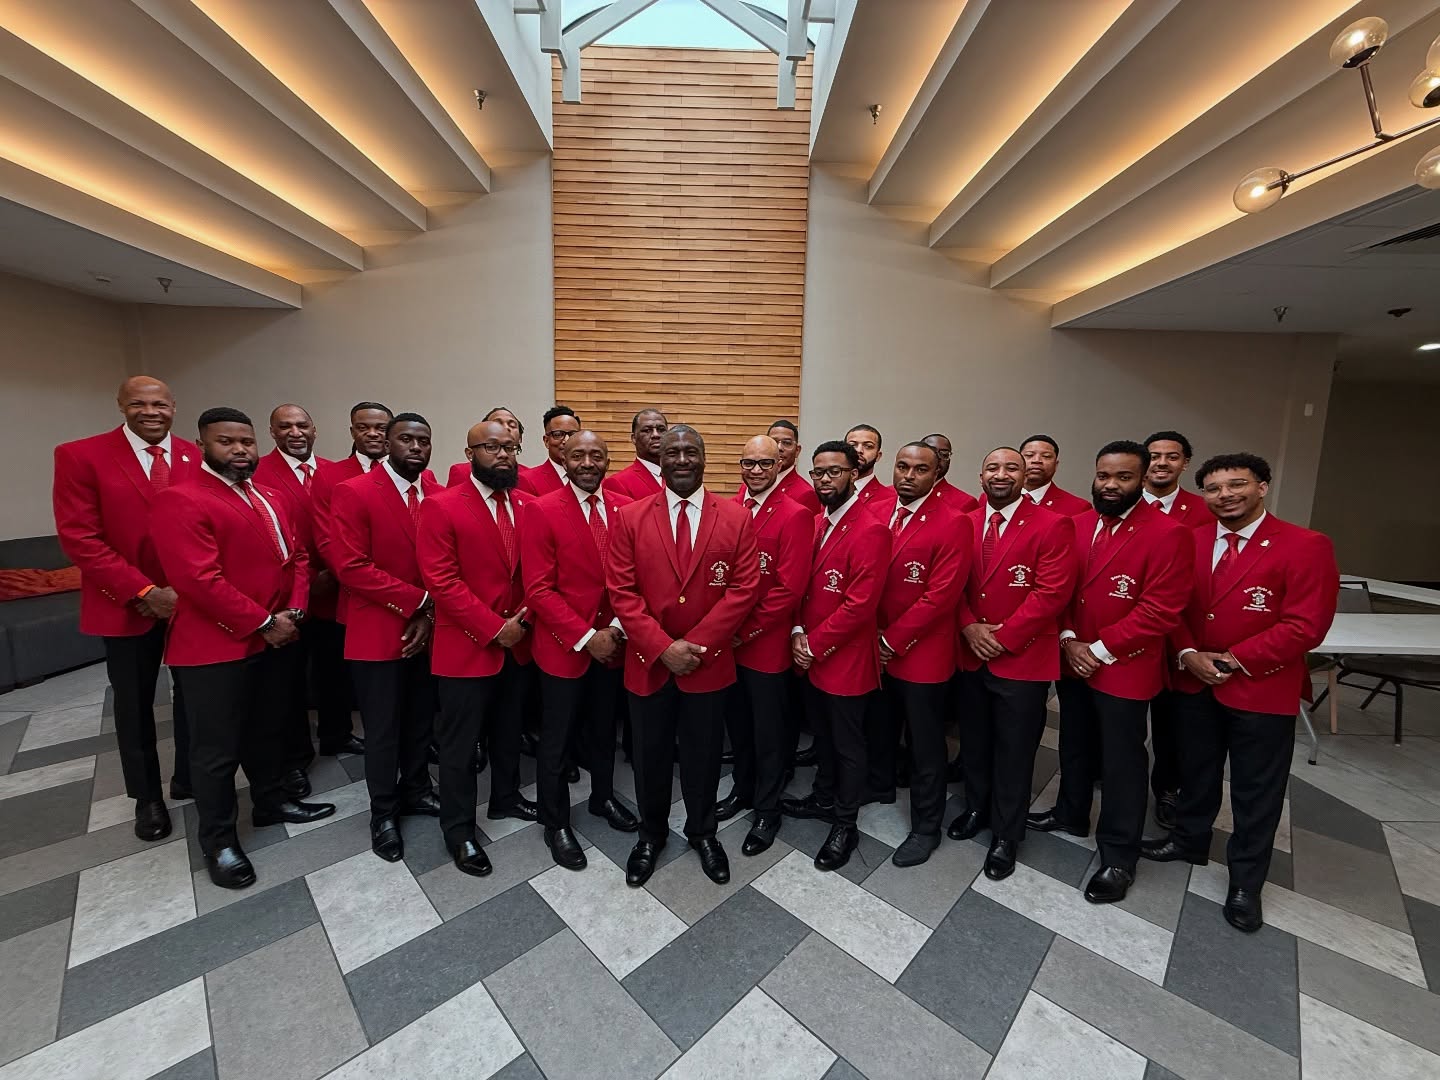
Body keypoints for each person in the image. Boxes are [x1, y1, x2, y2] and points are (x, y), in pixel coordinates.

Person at [1142, 452, 1337, 933]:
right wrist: (1188, 653)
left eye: (1237, 485)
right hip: (1194, 678)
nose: (1225, 495)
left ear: (1263, 486)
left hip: (1260, 687)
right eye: (1213, 488)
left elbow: (1306, 625)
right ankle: (1189, 839)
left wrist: (1231, 660)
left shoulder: (1305, 545)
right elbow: (1172, 606)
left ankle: (1246, 881)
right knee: (1196, 770)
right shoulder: (1188, 539)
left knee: (1256, 789)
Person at [152, 408, 335, 889]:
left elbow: (296, 558)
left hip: (275, 636)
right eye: (226, 442)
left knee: (267, 729)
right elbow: (198, 579)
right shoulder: (182, 500)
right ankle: (219, 840)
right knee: (215, 751)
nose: (239, 450)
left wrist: (293, 612)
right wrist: (260, 621)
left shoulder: (270, 496)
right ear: (202, 445)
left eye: (246, 442)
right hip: (215, 647)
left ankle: (271, 802)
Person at [1028, 441, 1193, 904]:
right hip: (1071, 654)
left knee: (1122, 762)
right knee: (1074, 741)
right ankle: (1070, 813)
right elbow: (1054, 590)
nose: (1111, 485)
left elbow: (1160, 609)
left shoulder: (1168, 533)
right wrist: (1066, 640)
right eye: (1104, 476)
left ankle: (1119, 855)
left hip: (1124, 665)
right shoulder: (1075, 525)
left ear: (1142, 480)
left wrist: (1097, 650)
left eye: (1123, 477)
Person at [607, 425, 760, 887]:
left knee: (704, 756)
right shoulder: (631, 516)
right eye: (672, 451)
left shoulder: (735, 517)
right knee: (649, 756)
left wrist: (696, 646)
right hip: (649, 665)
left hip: (707, 664)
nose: (681, 459)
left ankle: (703, 832)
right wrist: (662, 648)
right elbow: (621, 590)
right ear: (661, 458)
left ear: (703, 458)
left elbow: (744, 588)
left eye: (690, 451)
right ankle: (650, 836)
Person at [53, 376, 198, 842]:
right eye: (138, 403)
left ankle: (188, 775)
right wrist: (144, 592)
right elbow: (80, 539)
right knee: (135, 705)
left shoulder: (195, 456)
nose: (150, 410)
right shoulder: (81, 455)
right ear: (120, 406)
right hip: (126, 604)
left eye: (159, 403)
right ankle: (147, 797)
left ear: (174, 407)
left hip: (192, 604)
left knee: (194, 694)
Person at [418, 419, 540, 877]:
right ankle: (459, 830)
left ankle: (506, 797)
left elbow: (541, 576)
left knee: (510, 730)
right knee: (459, 745)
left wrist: (522, 620)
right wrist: (494, 628)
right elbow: (442, 581)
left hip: (519, 641)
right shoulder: (441, 507)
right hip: (467, 646)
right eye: (492, 447)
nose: (504, 455)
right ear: (469, 454)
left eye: (510, 447)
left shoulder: (530, 505)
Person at [951, 447, 1076, 880]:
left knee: (1015, 752)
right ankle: (976, 809)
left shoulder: (1053, 524)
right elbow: (951, 586)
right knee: (976, 744)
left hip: (1022, 660)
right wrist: (969, 628)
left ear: (1026, 475)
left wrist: (1001, 638)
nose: (1000, 474)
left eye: (1011, 468)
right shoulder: (963, 522)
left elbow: (1052, 594)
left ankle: (1007, 835)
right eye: (992, 467)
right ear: (980, 474)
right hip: (970, 655)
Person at [520, 430, 640, 870]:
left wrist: (613, 629)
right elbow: (539, 589)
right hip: (563, 647)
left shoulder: (625, 510)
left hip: (614, 644)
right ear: (562, 459)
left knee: (604, 730)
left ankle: (602, 799)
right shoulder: (541, 509)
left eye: (596, 455)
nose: (588, 462)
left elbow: (633, 580)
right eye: (578, 455)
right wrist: (588, 637)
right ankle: (556, 823)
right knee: (558, 739)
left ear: (608, 460)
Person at [330, 413, 444, 863]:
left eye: (424, 441)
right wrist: (419, 601)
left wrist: (429, 611)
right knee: (382, 729)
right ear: (386, 443)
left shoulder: (436, 494)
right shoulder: (354, 492)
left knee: (420, 719)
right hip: (378, 630)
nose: (415, 447)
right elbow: (351, 568)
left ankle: (417, 788)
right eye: (406, 439)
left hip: (430, 629)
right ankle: (383, 811)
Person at [784, 441, 891, 871]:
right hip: (810, 650)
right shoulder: (815, 522)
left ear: (854, 473)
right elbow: (801, 589)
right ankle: (823, 796)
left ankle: (846, 823)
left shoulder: (871, 528)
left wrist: (811, 644)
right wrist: (796, 631)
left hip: (843, 658)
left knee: (848, 743)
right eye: (818, 473)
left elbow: (860, 604)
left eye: (834, 472)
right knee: (822, 736)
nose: (824, 480)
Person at [871, 442, 971, 867]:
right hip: (874, 648)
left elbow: (941, 596)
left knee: (926, 745)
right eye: (903, 466)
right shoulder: (878, 513)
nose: (909, 475)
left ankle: (926, 826)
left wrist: (890, 640)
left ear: (937, 474)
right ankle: (877, 789)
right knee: (879, 726)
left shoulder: (953, 522)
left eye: (920, 469)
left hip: (919, 652)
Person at [254, 404, 361, 782]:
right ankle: (297, 756)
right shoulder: (259, 472)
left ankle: (337, 734)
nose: (295, 432)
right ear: (272, 432)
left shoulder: (331, 472)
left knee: (333, 669)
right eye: (285, 426)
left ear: (315, 430)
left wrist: (336, 572)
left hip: (335, 587)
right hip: (289, 595)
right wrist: (309, 577)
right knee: (289, 680)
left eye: (302, 425)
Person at [717, 435, 811, 857]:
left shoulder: (795, 514)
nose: (756, 471)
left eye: (764, 464)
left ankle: (768, 809)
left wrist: (744, 630)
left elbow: (789, 589)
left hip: (765, 644)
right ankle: (742, 789)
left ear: (781, 465)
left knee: (770, 733)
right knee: (738, 727)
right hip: (729, 644)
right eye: (748, 463)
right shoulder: (734, 508)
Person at [1141, 429, 1211, 828]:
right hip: (1127, 643)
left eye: (1172, 456)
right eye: (1154, 456)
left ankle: (1167, 790)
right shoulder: (1120, 506)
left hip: (1180, 640)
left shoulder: (1203, 512)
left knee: (1174, 726)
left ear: (1185, 463)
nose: (1161, 463)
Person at [311, 402, 395, 624]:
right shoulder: (329, 475)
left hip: (411, 592)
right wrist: (365, 582)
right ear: (352, 431)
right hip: (354, 593)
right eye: (363, 427)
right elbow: (326, 540)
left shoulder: (421, 475)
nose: (372, 434)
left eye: (381, 428)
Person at [446, 406, 527, 488]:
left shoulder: (527, 476)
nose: (505, 428)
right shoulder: (462, 471)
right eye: (497, 424)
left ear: (520, 438)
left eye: (512, 425)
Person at [604, 408, 669, 500]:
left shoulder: (679, 476)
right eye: (647, 430)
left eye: (661, 430)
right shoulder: (617, 482)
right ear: (634, 438)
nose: (656, 435)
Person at [1018, 434, 1090, 516]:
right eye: (1029, 455)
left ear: (1056, 465)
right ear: (1018, 462)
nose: (1037, 460)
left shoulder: (1078, 507)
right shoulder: (1001, 500)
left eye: (1046, 456)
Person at [522, 405, 580, 496]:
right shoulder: (528, 480)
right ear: (546, 441)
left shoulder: (594, 477)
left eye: (573, 434)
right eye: (558, 434)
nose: (566, 440)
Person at [921, 433, 979, 512]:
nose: (937, 458)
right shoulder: (900, 491)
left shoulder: (965, 502)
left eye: (944, 454)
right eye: (931, 452)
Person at [845, 424, 894, 512]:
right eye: (852, 445)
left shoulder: (889, 498)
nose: (859, 450)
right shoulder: (829, 492)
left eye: (868, 446)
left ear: (878, 456)